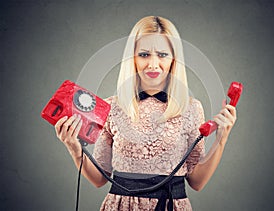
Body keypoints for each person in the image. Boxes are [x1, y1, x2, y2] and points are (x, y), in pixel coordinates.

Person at [54, 16, 237, 211]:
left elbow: (197, 182)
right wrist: (74, 148)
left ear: (174, 59)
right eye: (143, 54)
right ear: (132, 58)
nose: (152, 64)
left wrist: (221, 139)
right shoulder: (111, 107)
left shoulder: (192, 108)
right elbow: (99, 179)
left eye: (162, 54)